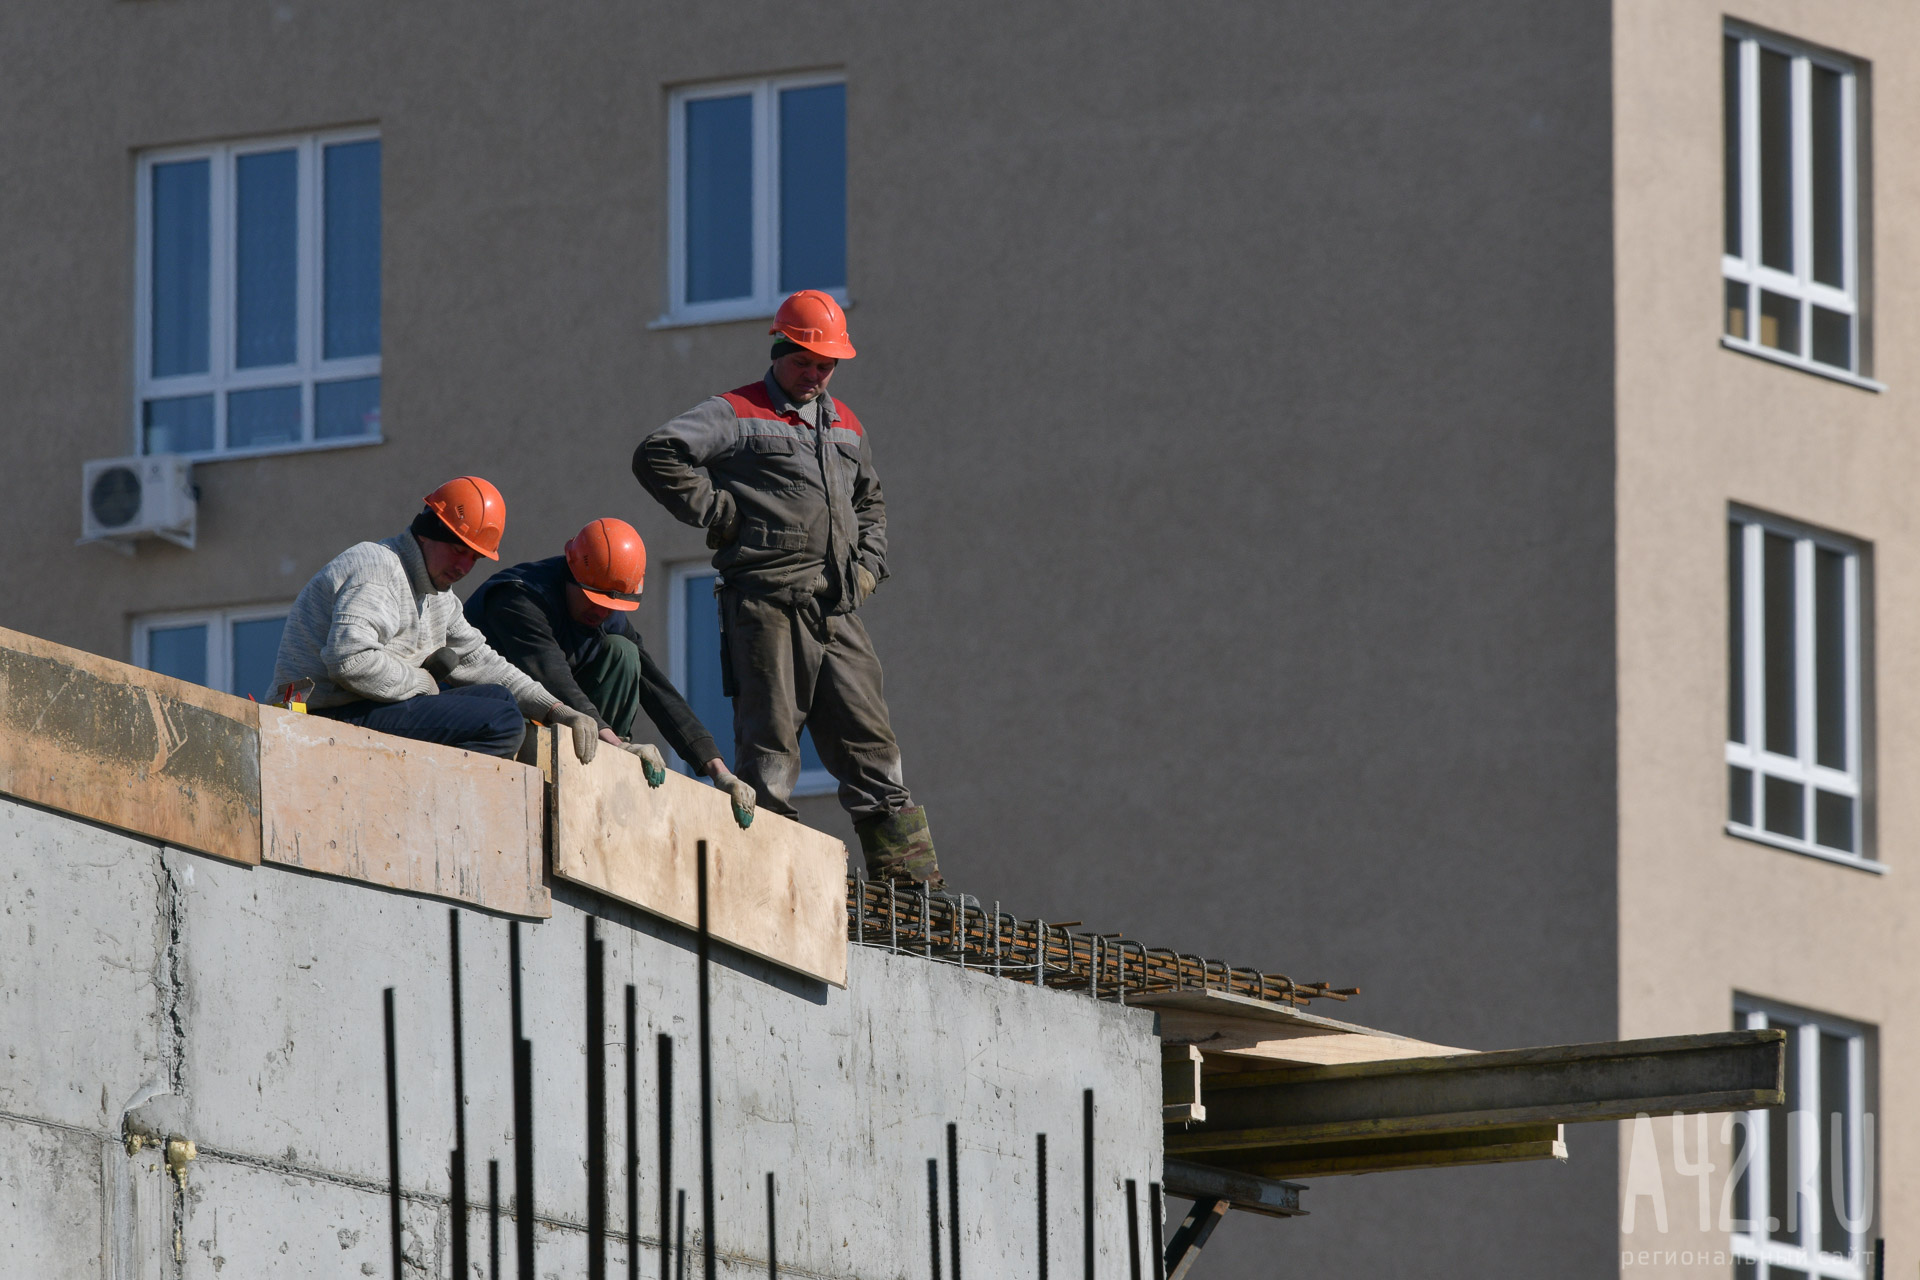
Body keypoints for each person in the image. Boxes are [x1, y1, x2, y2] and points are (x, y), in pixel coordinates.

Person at [632, 290, 944, 887]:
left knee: (872, 744)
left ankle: (913, 890)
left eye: (826, 365)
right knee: (770, 750)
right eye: (805, 361)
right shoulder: (736, 412)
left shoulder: (846, 425)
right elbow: (659, 453)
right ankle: (767, 884)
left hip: (836, 610)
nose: (816, 375)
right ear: (780, 349)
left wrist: (868, 568)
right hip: (767, 607)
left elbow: (870, 503)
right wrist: (721, 514)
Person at [269, 476, 599, 764]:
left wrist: (555, 709)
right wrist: (420, 682)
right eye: (458, 549)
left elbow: (480, 660)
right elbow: (350, 661)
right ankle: (432, 800)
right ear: (428, 533)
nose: (465, 566)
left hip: (363, 706)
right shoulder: (378, 568)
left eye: (475, 557)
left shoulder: (439, 596)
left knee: (498, 699)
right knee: (501, 720)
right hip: (318, 715)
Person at [465, 517, 757, 826]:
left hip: (562, 720)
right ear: (572, 573)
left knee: (623, 652)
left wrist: (718, 772)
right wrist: (619, 747)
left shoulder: (605, 612)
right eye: (595, 599)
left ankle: (596, 772)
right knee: (569, 686)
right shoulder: (519, 598)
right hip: (489, 725)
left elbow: (657, 688)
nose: (602, 612)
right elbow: (552, 676)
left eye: (612, 604)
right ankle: (603, 755)